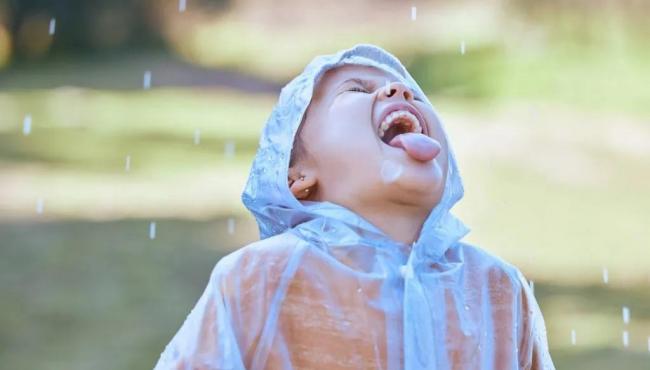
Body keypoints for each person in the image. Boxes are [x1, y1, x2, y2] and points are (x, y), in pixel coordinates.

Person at [153, 43, 556, 370]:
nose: (401, 92)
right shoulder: (261, 279)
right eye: (357, 89)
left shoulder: (496, 289)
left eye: (414, 92)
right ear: (296, 177)